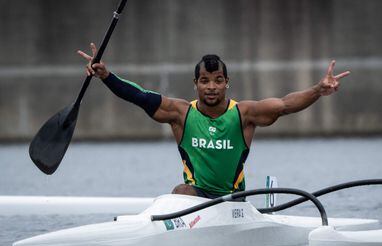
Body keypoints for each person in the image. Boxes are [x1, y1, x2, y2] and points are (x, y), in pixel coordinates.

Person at [78, 43, 350, 199]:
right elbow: (139, 96)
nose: (211, 87)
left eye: (218, 81)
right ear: (195, 83)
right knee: (180, 191)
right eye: (205, 81)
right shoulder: (181, 114)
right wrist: (106, 76)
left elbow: (284, 105)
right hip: (196, 197)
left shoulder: (244, 114)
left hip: (234, 200)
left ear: (227, 83)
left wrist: (318, 89)